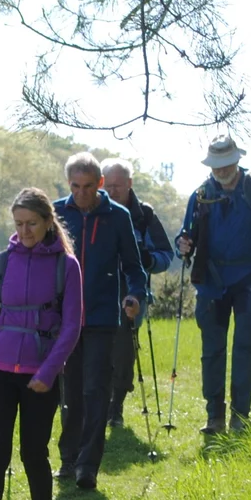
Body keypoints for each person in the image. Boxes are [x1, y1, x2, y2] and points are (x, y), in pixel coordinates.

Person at [0, 188, 84, 500]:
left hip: (40, 375)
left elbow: (72, 327)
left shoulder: (67, 267)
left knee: (34, 452)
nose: (25, 230)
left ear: (49, 221)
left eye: (32, 223)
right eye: (19, 224)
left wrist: (49, 372)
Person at [176, 134, 251, 435]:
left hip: (248, 279)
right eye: (217, 165)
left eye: (226, 164)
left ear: (237, 160)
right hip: (211, 283)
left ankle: (240, 416)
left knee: (245, 347)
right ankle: (214, 417)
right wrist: (182, 245)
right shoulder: (200, 195)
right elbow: (186, 235)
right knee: (212, 350)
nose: (221, 170)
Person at [53, 153, 147, 489]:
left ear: (100, 184)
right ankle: (68, 458)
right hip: (64, 319)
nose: (81, 193)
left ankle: (87, 466)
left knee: (96, 390)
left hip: (103, 317)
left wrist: (135, 297)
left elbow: (135, 268)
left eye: (88, 187)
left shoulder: (117, 217)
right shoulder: (56, 213)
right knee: (70, 392)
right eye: (75, 187)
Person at [100, 159, 175, 428]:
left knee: (123, 351)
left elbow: (167, 255)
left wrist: (148, 261)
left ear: (130, 184)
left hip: (132, 291)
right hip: (98, 290)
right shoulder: (93, 210)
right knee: (97, 350)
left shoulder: (144, 215)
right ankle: (97, 405)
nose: (113, 191)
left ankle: (115, 406)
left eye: (118, 185)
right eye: (108, 186)